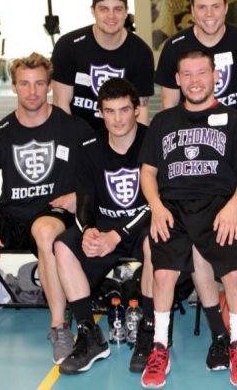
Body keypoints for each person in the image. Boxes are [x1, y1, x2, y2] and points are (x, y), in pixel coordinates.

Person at [0, 53, 92, 362]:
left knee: (43, 230)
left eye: (39, 83)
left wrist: (78, 197)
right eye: (25, 84)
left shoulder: (74, 128)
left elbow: (100, 177)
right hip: (11, 216)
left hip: (53, 214)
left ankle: (59, 327)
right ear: (13, 87)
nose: (32, 91)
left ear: (50, 86)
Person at [139, 49, 237, 388]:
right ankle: (160, 347)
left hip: (218, 206)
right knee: (163, 276)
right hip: (172, 207)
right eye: (187, 75)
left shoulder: (233, 119)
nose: (195, 81)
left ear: (215, 76)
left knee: (234, 276)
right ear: (177, 80)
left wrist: (232, 207)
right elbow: (147, 173)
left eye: (201, 73)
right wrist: (156, 206)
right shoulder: (162, 121)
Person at [54, 78, 154, 375]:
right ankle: (89, 335)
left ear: (137, 109)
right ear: (100, 113)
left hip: (141, 225)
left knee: (155, 243)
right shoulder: (88, 147)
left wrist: (118, 235)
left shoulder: (153, 141)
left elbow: (156, 205)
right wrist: (87, 232)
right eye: (110, 111)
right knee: (62, 244)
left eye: (124, 109)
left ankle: (148, 332)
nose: (118, 118)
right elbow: (84, 203)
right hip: (105, 226)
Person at [155, 0, 237, 117]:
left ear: (226, 8)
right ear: (193, 11)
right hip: (190, 134)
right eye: (202, 7)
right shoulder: (174, 47)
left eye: (215, 6)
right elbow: (168, 104)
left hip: (235, 132)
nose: (209, 14)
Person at [51, 0, 154, 130]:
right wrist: (73, 145)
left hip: (120, 139)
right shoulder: (68, 46)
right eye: (104, 9)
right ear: (93, 11)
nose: (111, 16)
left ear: (126, 11)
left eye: (117, 9)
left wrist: (140, 149)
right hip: (78, 136)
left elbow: (141, 110)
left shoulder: (141, 53)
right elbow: (61, 103)